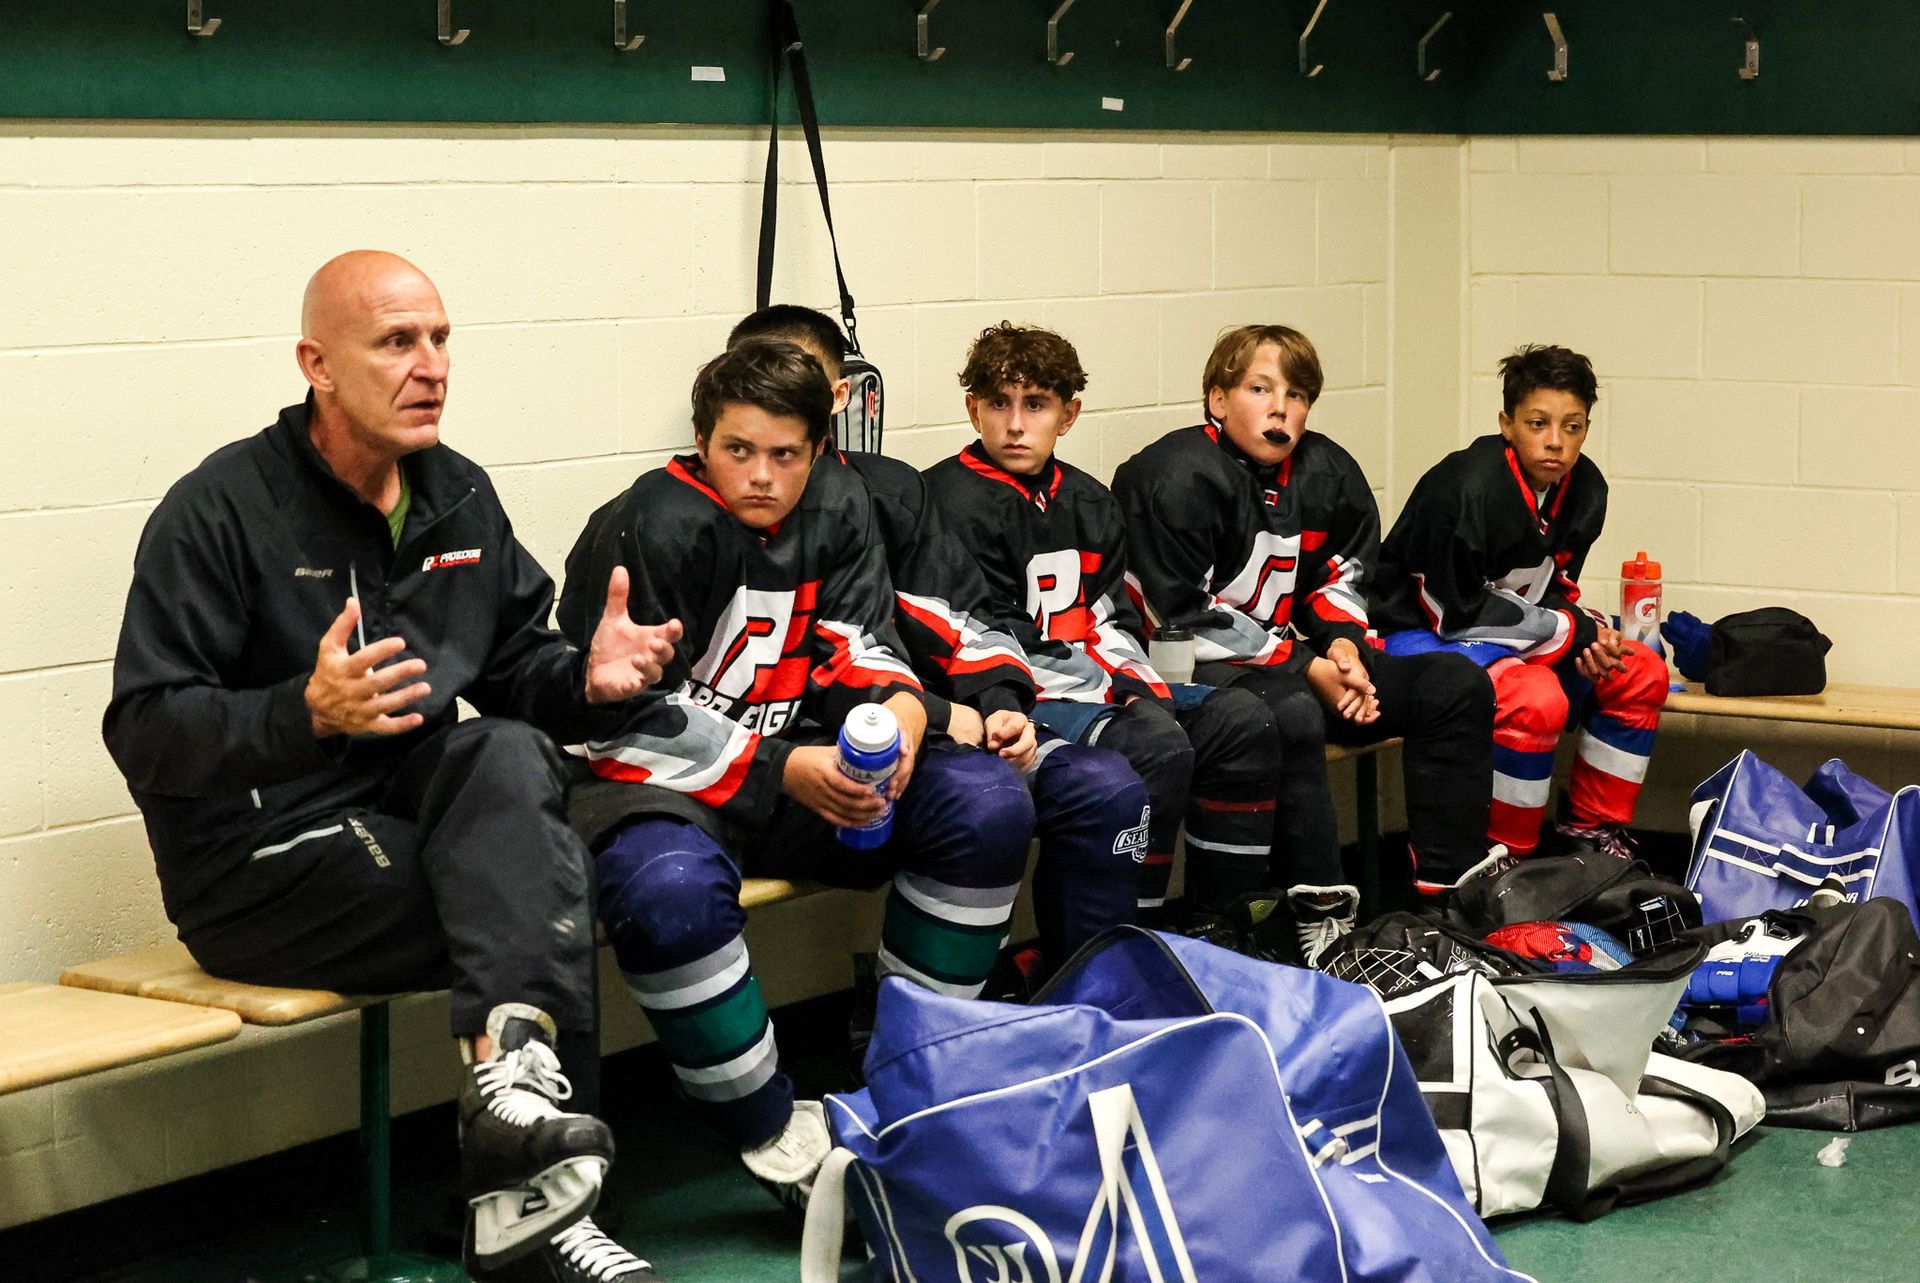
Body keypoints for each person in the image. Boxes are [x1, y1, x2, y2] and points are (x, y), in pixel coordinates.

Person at [101, 251, 674, 1282]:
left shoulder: (457, 493)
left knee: (510, 755)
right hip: (258, 856)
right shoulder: (221, 508)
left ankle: (515, 1133)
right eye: (397, 342)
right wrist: (304, 711)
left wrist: (586, 679)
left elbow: (510, 671)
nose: (431, 367)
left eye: (441, 339)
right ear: (317, 364)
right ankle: (530, 1213)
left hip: (408, 809)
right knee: (535, 885)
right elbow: (144, 726)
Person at [559, 340, 1034, 1217]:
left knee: (987, 801)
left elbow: (859, 642)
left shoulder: (840, 502)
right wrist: (783, 769)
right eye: (739, 449)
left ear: (817, 449)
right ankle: (774, 1134)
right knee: (665, 892)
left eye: (785, 454)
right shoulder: (649, 521)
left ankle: (913, 1071)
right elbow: (610, 718)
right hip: (650, 778)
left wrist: (902, 713)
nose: (763, 476)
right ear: (702, 439)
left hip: (793, 765)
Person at [725, 306, 1151, 976]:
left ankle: (1084, 1006)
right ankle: (918, 1031)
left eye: (802, 379)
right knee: (985, 805)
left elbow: (958, 613)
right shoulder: (688, 513)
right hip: (793, 756)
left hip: (929, 731)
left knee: (1106, 786)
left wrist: (1001, 699)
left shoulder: (888, 488)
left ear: (840, 395)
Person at [922, 323, 1353, 964]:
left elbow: (1115, 621)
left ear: (1068, 415)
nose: (1016, 424)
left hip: (1098, 688)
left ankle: (1216, 928)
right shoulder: (943, 500)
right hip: (1014, 702)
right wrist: (1126, 697)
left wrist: (1139, 685)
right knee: (1155, 741)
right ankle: (1134, 942)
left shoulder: (1089, 500)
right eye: (998, 404)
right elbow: (982, 637)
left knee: (1243, 718)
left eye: (1035, 405)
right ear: (972, 409)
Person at [1111, 324, 1500, 901]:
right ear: (1218, 400)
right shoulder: (1169, 477)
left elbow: (1341, 576)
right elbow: (1178, 617)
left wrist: (1343, 646)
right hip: (1203, 672)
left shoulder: (1329, 473)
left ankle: (1449, 898)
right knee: (1292, 712)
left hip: (1296, 661)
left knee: (1455, 684)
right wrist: (1305, 665)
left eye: (1296, 395)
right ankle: (1320, 910)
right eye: (1260, 390)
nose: (1281, 409)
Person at [1370, 345, 1666, 862]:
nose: (1556, 441)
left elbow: (1556, 589)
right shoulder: (1464, 487)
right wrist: (1568, 630)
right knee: (1537, 698)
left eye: (1573, 427)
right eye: (1538, 423)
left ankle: (1589, 840)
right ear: (1507, 424)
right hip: (1418, 635)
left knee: (1639, 670)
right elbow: (1452, 614)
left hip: (1513, 634)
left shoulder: (1586, 488)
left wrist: (1584, 634)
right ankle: (1507, 860)